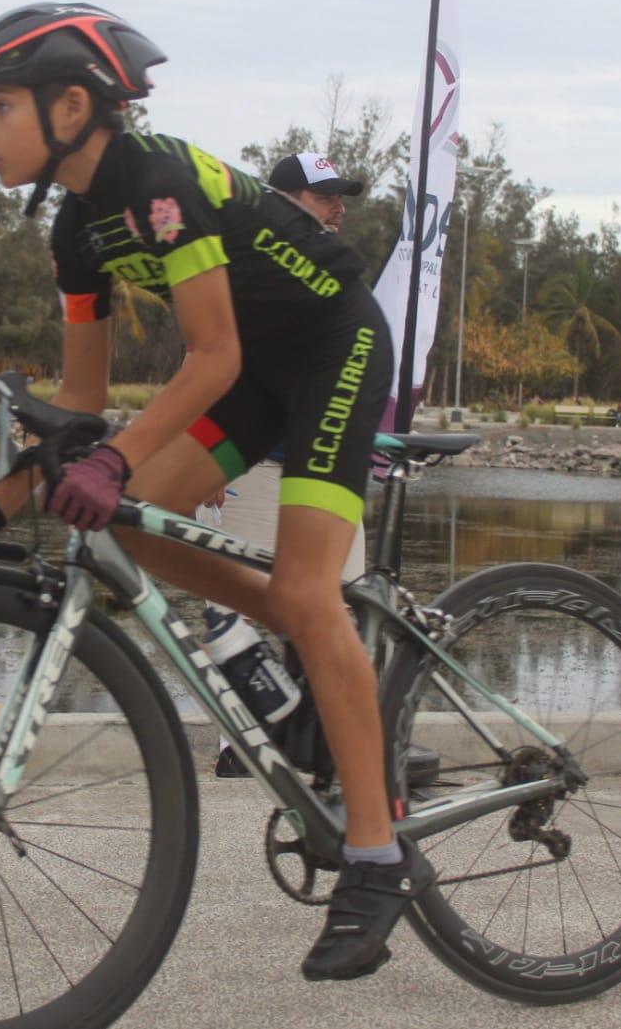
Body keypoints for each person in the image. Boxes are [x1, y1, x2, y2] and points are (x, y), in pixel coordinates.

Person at [0, 3, 432, 982]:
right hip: (247, 378)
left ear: (71, 104)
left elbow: (213, 353)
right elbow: (79, 408)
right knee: (137, 525)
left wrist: (111, 460)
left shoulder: (160, 186)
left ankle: (376, 856)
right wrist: (2, 494)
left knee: (301, 588)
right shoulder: (76, 232)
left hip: (330, 349)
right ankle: (310, 683)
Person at [210, 149, 371, 780]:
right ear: (283, 201)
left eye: (341, 197)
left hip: (327, 472)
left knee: (347, 609)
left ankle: (332, 741)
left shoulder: (340, 272)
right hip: (253, 469)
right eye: (324, 195)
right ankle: (240, 742)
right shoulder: (248, 268)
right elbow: (216, 359)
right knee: (237, 605)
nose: (338, 208)